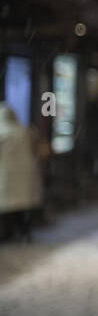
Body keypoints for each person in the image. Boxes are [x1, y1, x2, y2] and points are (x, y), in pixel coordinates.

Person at [0, 102, 42, 242]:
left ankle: (9, 233)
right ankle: (24, 232)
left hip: (7, 174)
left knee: (9, 207)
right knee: (23, 207)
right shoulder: (25, 131)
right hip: (26, 173)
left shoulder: (2, 132)